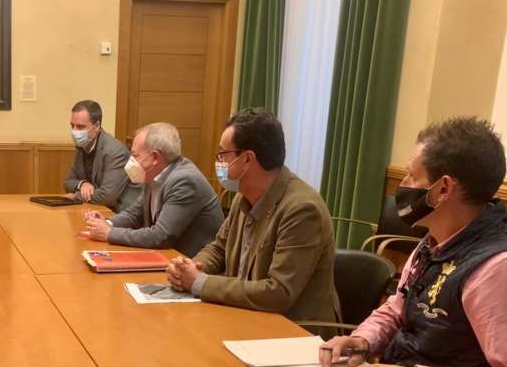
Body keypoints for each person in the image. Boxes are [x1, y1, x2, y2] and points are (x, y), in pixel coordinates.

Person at [321, 117, 507, 367]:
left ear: (443, 189)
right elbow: (397, 308)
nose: (403, 184)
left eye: (411, 175)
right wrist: (362, 340)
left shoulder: (494, 270)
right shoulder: (434, 240)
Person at [167, 108, 338, 322]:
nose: (219, 161)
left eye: (223, 154)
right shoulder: (244, 195)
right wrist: (190, 268)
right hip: (244, 315)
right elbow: (219, 248)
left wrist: (199, 282)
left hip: (292, 329)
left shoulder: (302, 209)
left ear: (247, 159)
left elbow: (278, 292)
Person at [83, 122, 224, 257]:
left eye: (135, 155)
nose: (131, 160)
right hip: (168, 258)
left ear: (155, 157)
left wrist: (109, 234)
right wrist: (106, 223)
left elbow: (160, 236)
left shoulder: (184, 180)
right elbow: (134, 214)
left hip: (192, 264)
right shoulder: (154, 173)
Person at [62, 100, 136, 212]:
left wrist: (75, 197)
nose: (74, 131)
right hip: (94, 209)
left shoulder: (115, 151)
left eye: (80, 127)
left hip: (119, 213)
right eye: (72, 126)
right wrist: (82, 184)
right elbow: (68, 182)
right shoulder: (83, 146)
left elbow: (108, 196)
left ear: (96, 126)